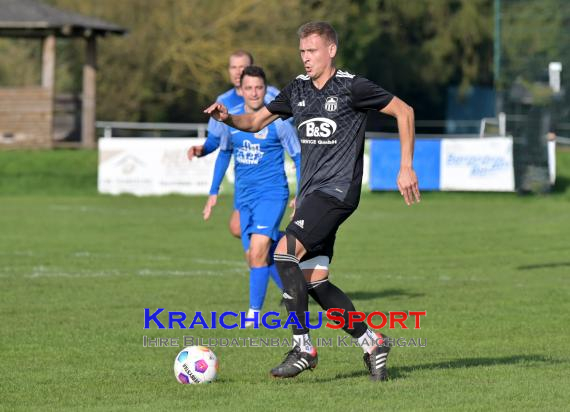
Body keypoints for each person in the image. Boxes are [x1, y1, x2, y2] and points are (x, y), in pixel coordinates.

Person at [204, 21, 421, 381]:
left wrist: (406, 167)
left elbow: (405, 111)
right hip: (310, 197)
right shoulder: (297, 90)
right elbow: (256, 120)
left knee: (282, 253)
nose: (306, 58)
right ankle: (372, 342)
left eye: (312, 51)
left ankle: (303, 348)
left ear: (331, 50)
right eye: (302, 51)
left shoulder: (353, 87)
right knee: (314, 280)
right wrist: (229, 118)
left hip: (336, 193)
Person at [209, 65, 301, 325]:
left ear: (265, 89)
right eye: (248, 88)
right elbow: (224, 153)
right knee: (256, 254)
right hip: (245, 198)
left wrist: (301, 191)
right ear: (241, 90)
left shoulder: (279, 122)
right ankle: (293, 288)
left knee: (259, 249)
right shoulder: (232, 121)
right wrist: (213, 191)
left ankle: (253, 316)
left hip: (272, 194)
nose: (254, 93)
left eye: (259, 87)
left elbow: (298, 156)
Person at [187, 50, 279, 238]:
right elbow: (217, 139)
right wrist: (202, 150)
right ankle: (280, 254)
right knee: (240, 229)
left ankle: (278, 253)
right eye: (233, 67)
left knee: (256, 236)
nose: (238, 72)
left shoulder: (271, 95)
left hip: (270, 178)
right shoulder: (223, 101)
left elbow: (289, 128)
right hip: (244, 179)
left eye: (242, 67)